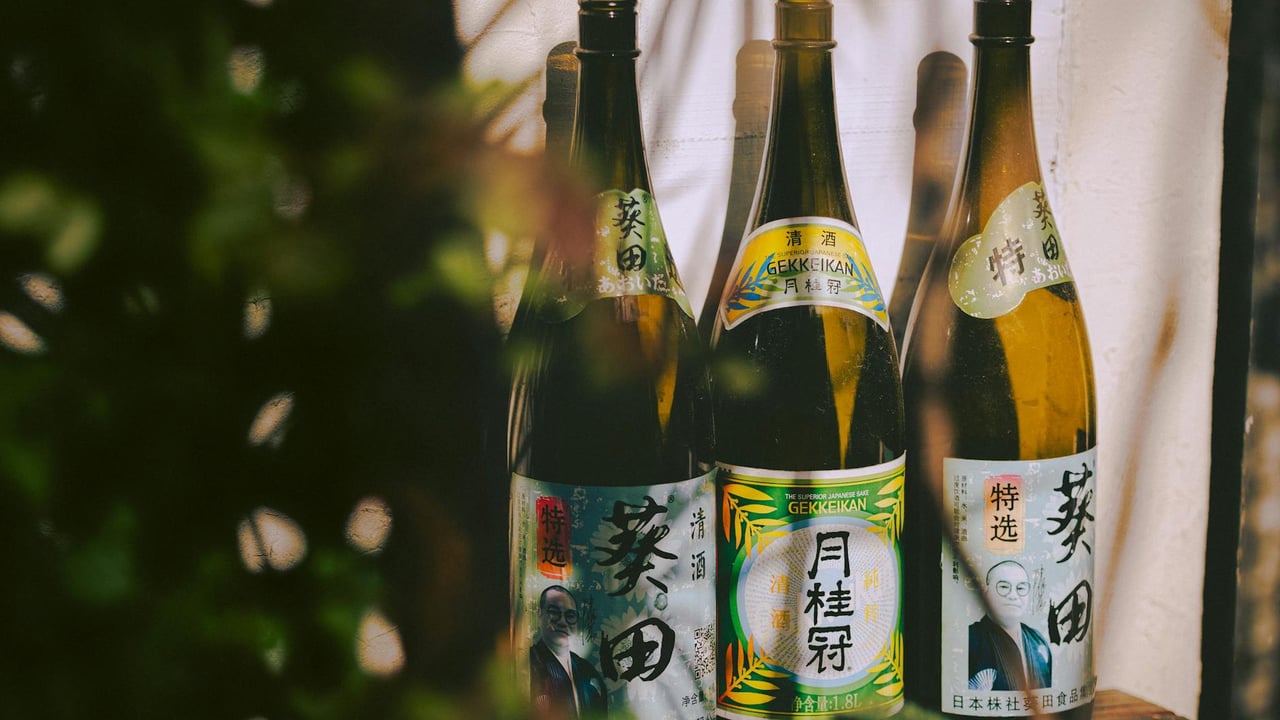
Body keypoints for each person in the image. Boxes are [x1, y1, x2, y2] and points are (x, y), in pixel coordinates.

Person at [967, 560, 1052, 691]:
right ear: (986, 592)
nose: (1013, 596)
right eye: (1004, 587)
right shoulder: (971, 638)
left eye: (1021, 588)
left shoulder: (1038, 640)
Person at [529, 585, 608, 719]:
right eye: (554, 613)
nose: (563, 622)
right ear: (540, 615)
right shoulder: (530, 662)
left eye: (570, 615)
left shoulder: (587, 671)